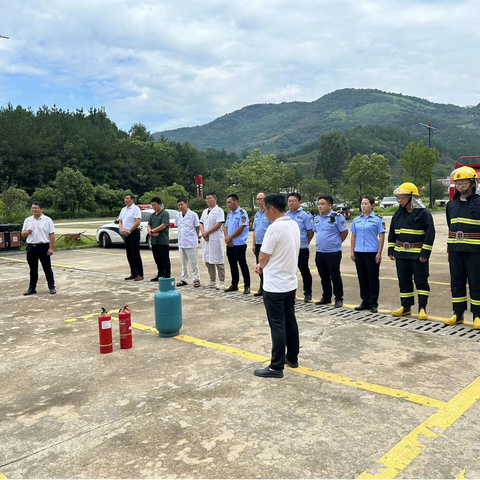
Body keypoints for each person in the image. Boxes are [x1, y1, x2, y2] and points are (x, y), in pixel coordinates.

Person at [253, 193, 301, 378]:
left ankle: (276, 366)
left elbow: (263, 255)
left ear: (272, 209)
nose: (264, 213)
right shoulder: (293, 225)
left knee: (277, 325)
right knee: (290, 320)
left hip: (275, 286)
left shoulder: (274, 228)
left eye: (265, 209)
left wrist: (260, 265)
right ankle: (292, 357)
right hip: (289, 282)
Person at [388, 183, 435, 320]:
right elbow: (392, 233)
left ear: (412, 198)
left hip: (418, 255)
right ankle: (406, 307)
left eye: (402, 198)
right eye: (399, 198)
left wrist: (425, 254)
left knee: (421, 281)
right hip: (401, 254)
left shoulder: (424, 214)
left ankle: (422, 308)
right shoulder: (398, 214)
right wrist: (391, 250)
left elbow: (430, 235)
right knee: (404, 281)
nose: (400, 200)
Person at [444, 167, 480, 328]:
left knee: (476, 283)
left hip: (475, 252)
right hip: (456, 251)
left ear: (473, 183)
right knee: (456, 282)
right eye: (457, 184)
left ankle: (478, 315)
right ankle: (457, 313)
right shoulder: (451, 204)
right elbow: (450, 225)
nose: (460, 187)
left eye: (463, 183)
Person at [350, 195, 386, 313]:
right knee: (362, 277)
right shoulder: (356, 220)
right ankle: (364, 301)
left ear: (372, 205)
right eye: (362, 204)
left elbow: (381, 237)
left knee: (373, 277)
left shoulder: (378, 219)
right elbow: (353, 236)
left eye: (366, 203)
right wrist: (352, 251)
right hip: (359, 251)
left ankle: (373, 302)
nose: (363, 206)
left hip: (372, 252)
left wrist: (379, 253)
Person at [313, 195, 348, 308]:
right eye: (318, 204)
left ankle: (338, 298)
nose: (320, 206)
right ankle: (326, 297)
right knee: (323, 276)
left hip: (333, 252)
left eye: (322, 204)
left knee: (335, 276)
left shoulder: (337, 217)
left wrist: (336, 242)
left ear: (329, 205)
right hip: (320, 251)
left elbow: (344, 232)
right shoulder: (317, 218)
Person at [21, 201, 56, 295]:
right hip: (31, 247)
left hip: (43, 247)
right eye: (32, 208)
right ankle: (32, 288)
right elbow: (22, 234)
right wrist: (27, 232)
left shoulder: (47, 220)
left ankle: (52, 287)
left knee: (47, 268)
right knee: (33, 269)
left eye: (36, 208)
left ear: (41, 209)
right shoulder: (28, 220)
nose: (34, 210)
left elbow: (52, 234)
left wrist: (51, 248)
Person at [286, 193, 314, 303]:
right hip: (289, 248)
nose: (291, 203)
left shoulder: (305, 215)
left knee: (304, 271)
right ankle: (291, 293)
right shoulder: (286, 214)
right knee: (290, 271)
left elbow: (310, 231)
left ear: (299, 202)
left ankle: (308, 293)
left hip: (301, 248)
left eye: (293, 201)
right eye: (289, 201)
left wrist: (305, 242)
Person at [224, 194, 251, 294]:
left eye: (230, 202)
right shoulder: (229, 214)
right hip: (230, 244)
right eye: (227, 203)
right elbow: (225, 227)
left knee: (242, 264)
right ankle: (234, 284)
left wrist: (230, 238)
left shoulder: (242, 213)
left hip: (239, 243)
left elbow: (241, 228)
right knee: (232, 265)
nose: (228, 204)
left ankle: (247, 285)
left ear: (236, 202)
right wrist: (227, 238)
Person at [199, 192, 226, 290]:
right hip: (206, 239)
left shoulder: (219, 210)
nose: (208, 200)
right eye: (207, 199)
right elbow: (201, 223)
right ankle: (212, 280)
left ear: (215, 199)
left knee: (218, 260)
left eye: (210, 198)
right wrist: (203, 233)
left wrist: (207, 233)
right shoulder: (205, 211)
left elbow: (218, 224)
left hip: (214, 238)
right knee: (208, 260)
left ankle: (221, 281)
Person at [175, 197, 201, 287]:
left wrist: (196, 237)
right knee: (183, 262)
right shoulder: (178, 215)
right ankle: (184, 279)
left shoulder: (193, 215)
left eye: (182, 204)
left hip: (191, 242)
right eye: (179, 205)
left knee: (193, 262)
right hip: (182, 241)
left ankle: (196, 279)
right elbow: (178, 227)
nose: (180, 206)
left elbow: (197, 226)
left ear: (186, 204)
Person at [118, 194, 144, 281]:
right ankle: (133, 272)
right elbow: (120, 221)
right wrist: (121, 230)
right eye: (125, 198)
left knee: (135, 253)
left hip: (133, 232)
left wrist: (129, 231)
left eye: (127, 198)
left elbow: (137, 222)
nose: (125, 200)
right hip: (125, 233)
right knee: (129, 253)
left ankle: (140, 273)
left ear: (132, 200)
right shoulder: (123, 209)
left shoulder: (136, 209)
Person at [252, 192, 272, 296]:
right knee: (259, 266)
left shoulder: (269, 213)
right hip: (259, 243)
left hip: (267, 244)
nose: (259, 201)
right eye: (257, 199)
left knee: (267, 266)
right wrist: (254, 244)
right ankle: (262, 287)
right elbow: (255, 230)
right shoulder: (257, 214)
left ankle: (267, 288)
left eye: (261, 199)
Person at [147, 197, 170, 281]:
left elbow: (164, 225)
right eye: (152, 205)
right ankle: (160, 274)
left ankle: (166, 275)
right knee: (157, 259)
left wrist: (153, 230)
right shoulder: (152, 215)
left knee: (164, 259)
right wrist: (150, 231)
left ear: (160, 205)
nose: (153, 207)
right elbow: (149, 225)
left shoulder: (164, 213)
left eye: (155, 205)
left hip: (162, 240)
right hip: (154, 241)